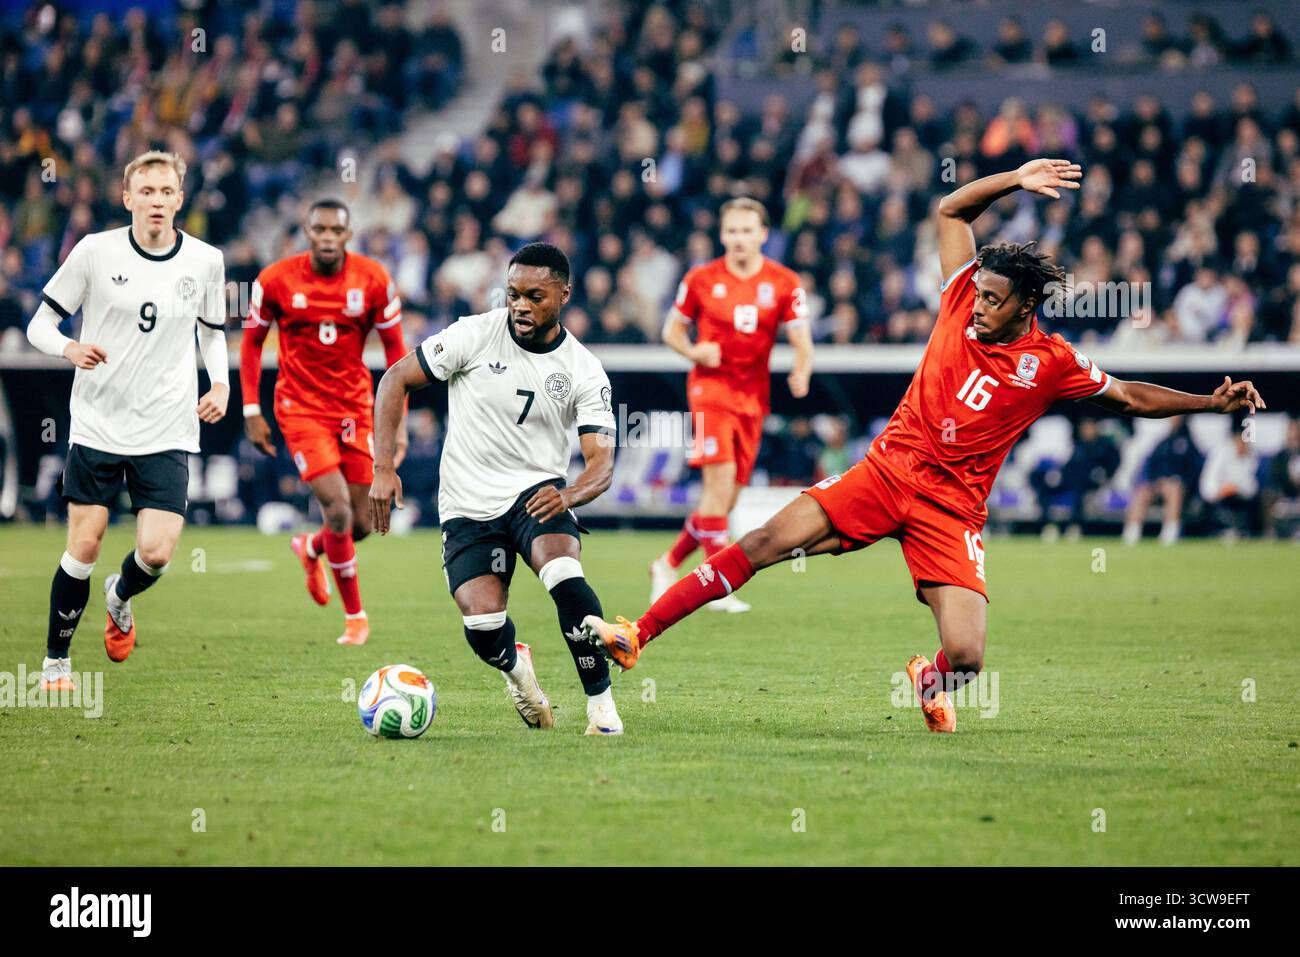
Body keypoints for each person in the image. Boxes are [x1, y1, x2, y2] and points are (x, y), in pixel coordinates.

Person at [584, 159, 1266, 734]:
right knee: (764, 540)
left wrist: (1211, 399)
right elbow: (950, 212)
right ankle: (637, 633)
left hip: (953, 507)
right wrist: (1013, 180)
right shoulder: (959, 292)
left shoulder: (1050, 360)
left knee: (967, 654)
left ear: (1026, 306)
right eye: (979, 292)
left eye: (994, 299)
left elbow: (1127, 396)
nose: (977, 305)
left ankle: (928, 674)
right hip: (889, 469)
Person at [368, 243, 625, 735]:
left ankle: (602, 708)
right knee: (483, 627)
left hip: (538, 494)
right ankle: (519, 674)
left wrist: (569, 495)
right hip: (467, 502)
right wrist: (383, 466)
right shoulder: (474, 334)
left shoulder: (583, 369)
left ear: (564, 295)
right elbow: (395, 379)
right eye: (512, 294)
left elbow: (601, 466)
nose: (521, 306)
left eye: (535, 295)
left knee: (564, 575)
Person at [25, 150, 229, 690]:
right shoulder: (94, 251)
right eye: (147, 192)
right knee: (85, 542)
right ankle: (55, 662)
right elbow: (38, 325)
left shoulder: (206, 260)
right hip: (98, 422)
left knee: (157, 553)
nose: (157, 201)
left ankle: (120, 594)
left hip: (166, 426)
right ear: (127, 197)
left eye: (166, 192)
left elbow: (212, 332)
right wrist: (69, 347)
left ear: (180, 199)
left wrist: (222, 383)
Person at [240, 200, 408, 646]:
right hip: (299, 408)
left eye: (337, 229)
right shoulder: (275, 280)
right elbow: (252, 343)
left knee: (362, 524)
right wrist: (251, 410)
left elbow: (397, 357)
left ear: (349, 234)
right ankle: (355, 618)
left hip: (355, 409)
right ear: (307, 232)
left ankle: (311, 547)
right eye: (320, 229)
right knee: (335, 508)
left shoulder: (373, 280)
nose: (329, 236)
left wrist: (399, 427)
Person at [649, 197, 814, 613]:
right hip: (710, 392)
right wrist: (693, 352)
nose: (739, 239)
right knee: (717, 489)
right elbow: (671, 331)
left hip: (753, 397)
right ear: (722, 235)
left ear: (762, 234)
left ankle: (666, 564)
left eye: (747, 231)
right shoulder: (702, 278)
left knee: (726, 501)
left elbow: (802, 340)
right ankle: (714, 585)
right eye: (732, 231)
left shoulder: (784, 282)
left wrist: (802, 369)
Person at [1122, 416, 1203, 545]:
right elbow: (1151, 466)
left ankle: (1170, 532)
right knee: (1142, 491)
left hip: (1180, 487)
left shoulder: (1189, 443)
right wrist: (1154, 482)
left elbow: (1195, 469)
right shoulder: (1162, 443)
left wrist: (1182, 482)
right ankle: (1132, 532)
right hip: (1159, 485)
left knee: (1173, 488)